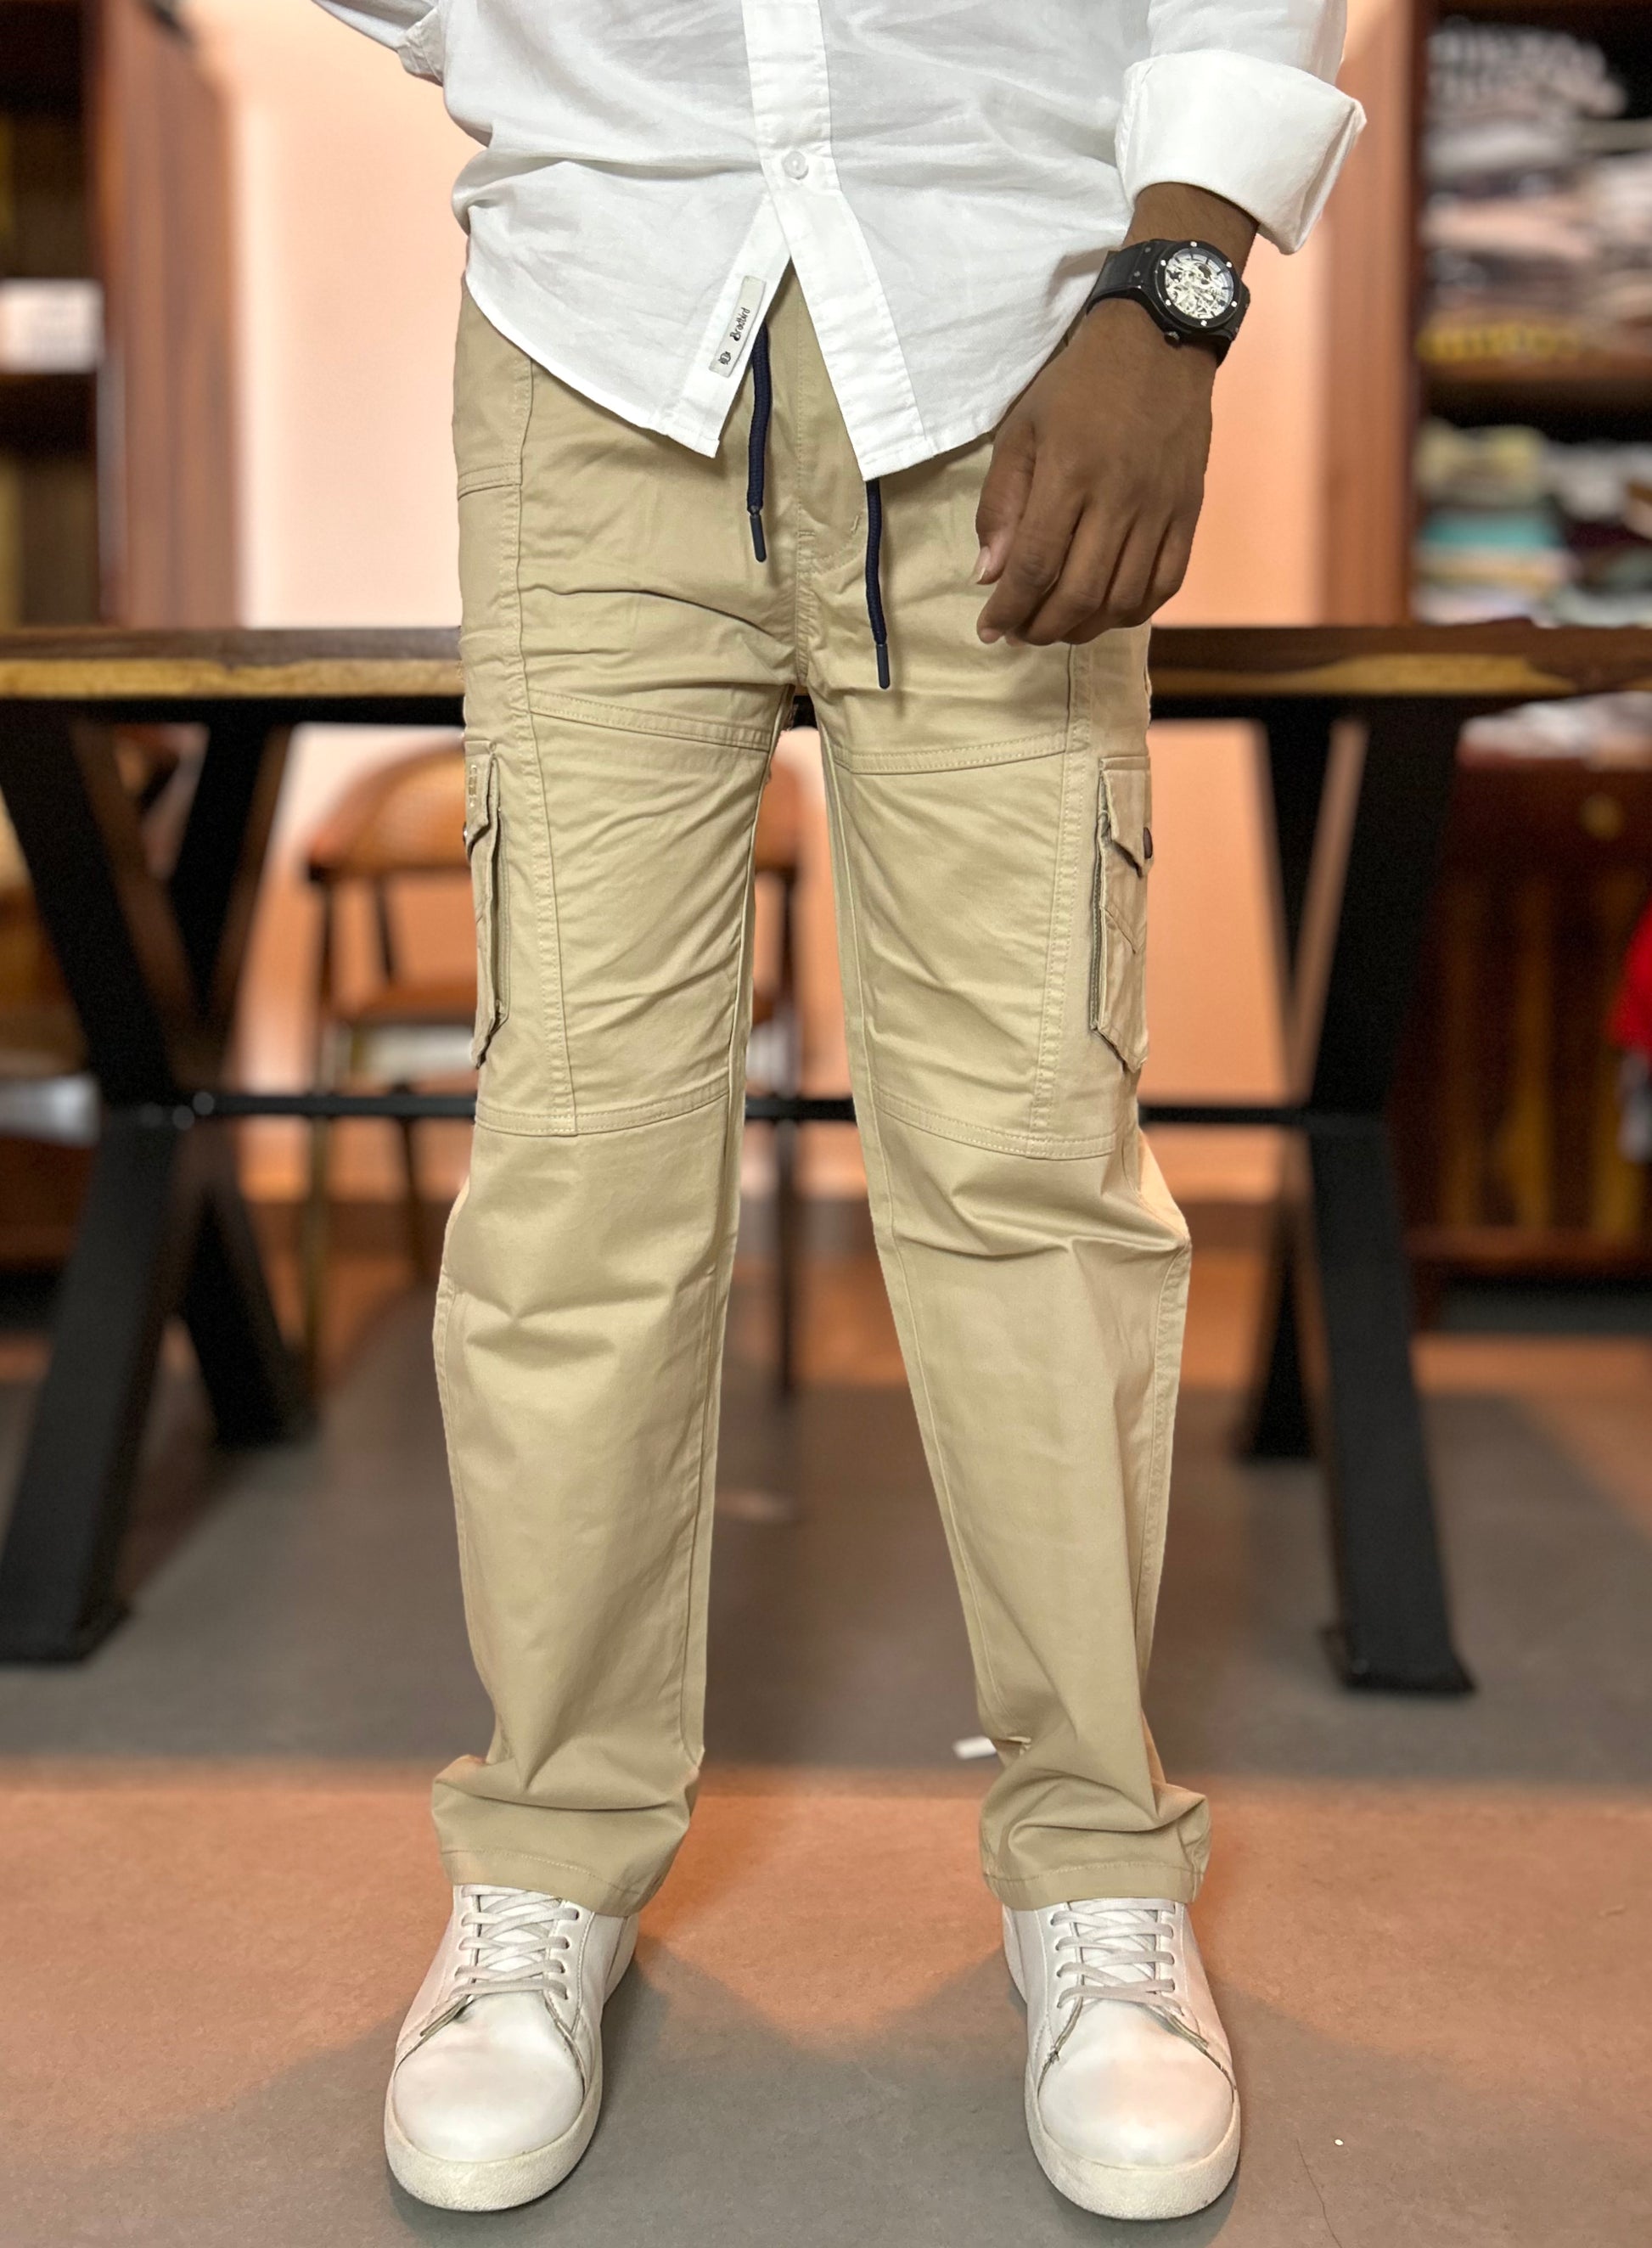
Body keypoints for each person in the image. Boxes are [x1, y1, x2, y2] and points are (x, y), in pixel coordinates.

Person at [315, 1, 1362, 2220]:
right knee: (578, 1171)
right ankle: (545, 1867)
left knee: (1026, 1170)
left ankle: (1096, 1872)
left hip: (1019, 345)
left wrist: (1175, 295)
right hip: (596, 342)